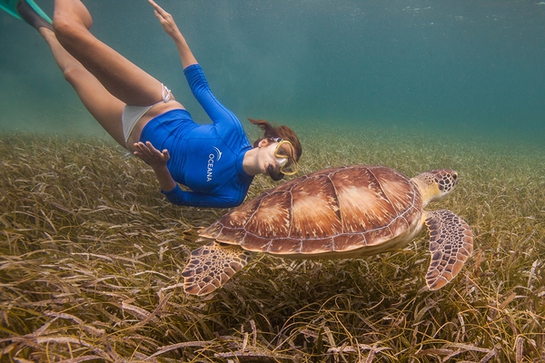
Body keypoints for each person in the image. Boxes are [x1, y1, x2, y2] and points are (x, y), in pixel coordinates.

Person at [3, 0, 302, 208]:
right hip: (157, 106)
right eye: (282, 152)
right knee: (69, 29)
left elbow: (180, 199)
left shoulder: (232, 195)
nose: (279, 163)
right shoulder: (231, 130)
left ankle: (40, 24)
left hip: (132, 136)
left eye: (285, 165)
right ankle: (70, 18)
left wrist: (159, 167)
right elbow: (200, 87)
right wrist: (176, 34)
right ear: (268, 141)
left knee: (73, 74)